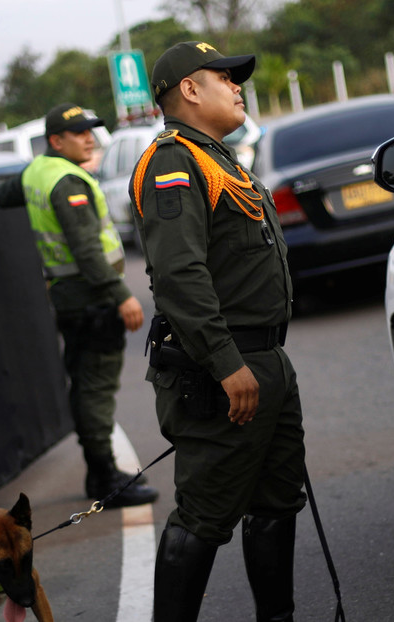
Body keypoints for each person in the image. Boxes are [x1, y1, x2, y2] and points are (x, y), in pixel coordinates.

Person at [129, 42, 307, 622]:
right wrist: (227, 363)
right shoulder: (173, 163)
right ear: (188, 89)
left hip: (265, 359)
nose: (238, 86)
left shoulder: (219, 157)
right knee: (205, 516)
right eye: (224, 77)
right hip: (225, 369)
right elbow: (180, 277)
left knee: (277, 503)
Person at [0, 103, 158, 509]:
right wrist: (122, 295)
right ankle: (105, 477)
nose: (89, 138)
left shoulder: (36, 171)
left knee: (85, 384)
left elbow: (3, 194)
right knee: (95, 388)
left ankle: (101, 471)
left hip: (68, 296)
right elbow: (87, 250)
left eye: (90, 130)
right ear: (56, 141)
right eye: (78, 133)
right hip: (93, 297)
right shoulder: (68, 183)